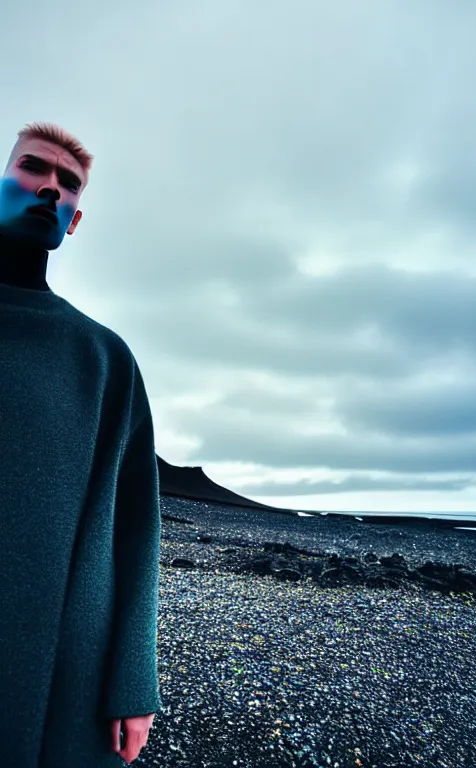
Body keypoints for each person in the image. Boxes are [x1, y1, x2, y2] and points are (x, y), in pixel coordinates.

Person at [0, 122, 162, 766]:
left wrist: (133, 679)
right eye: (32, 169)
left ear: (74, 221)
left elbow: (136, 528)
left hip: (63, 667)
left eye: (67, 185)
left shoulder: (104, 359)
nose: (48, 188)